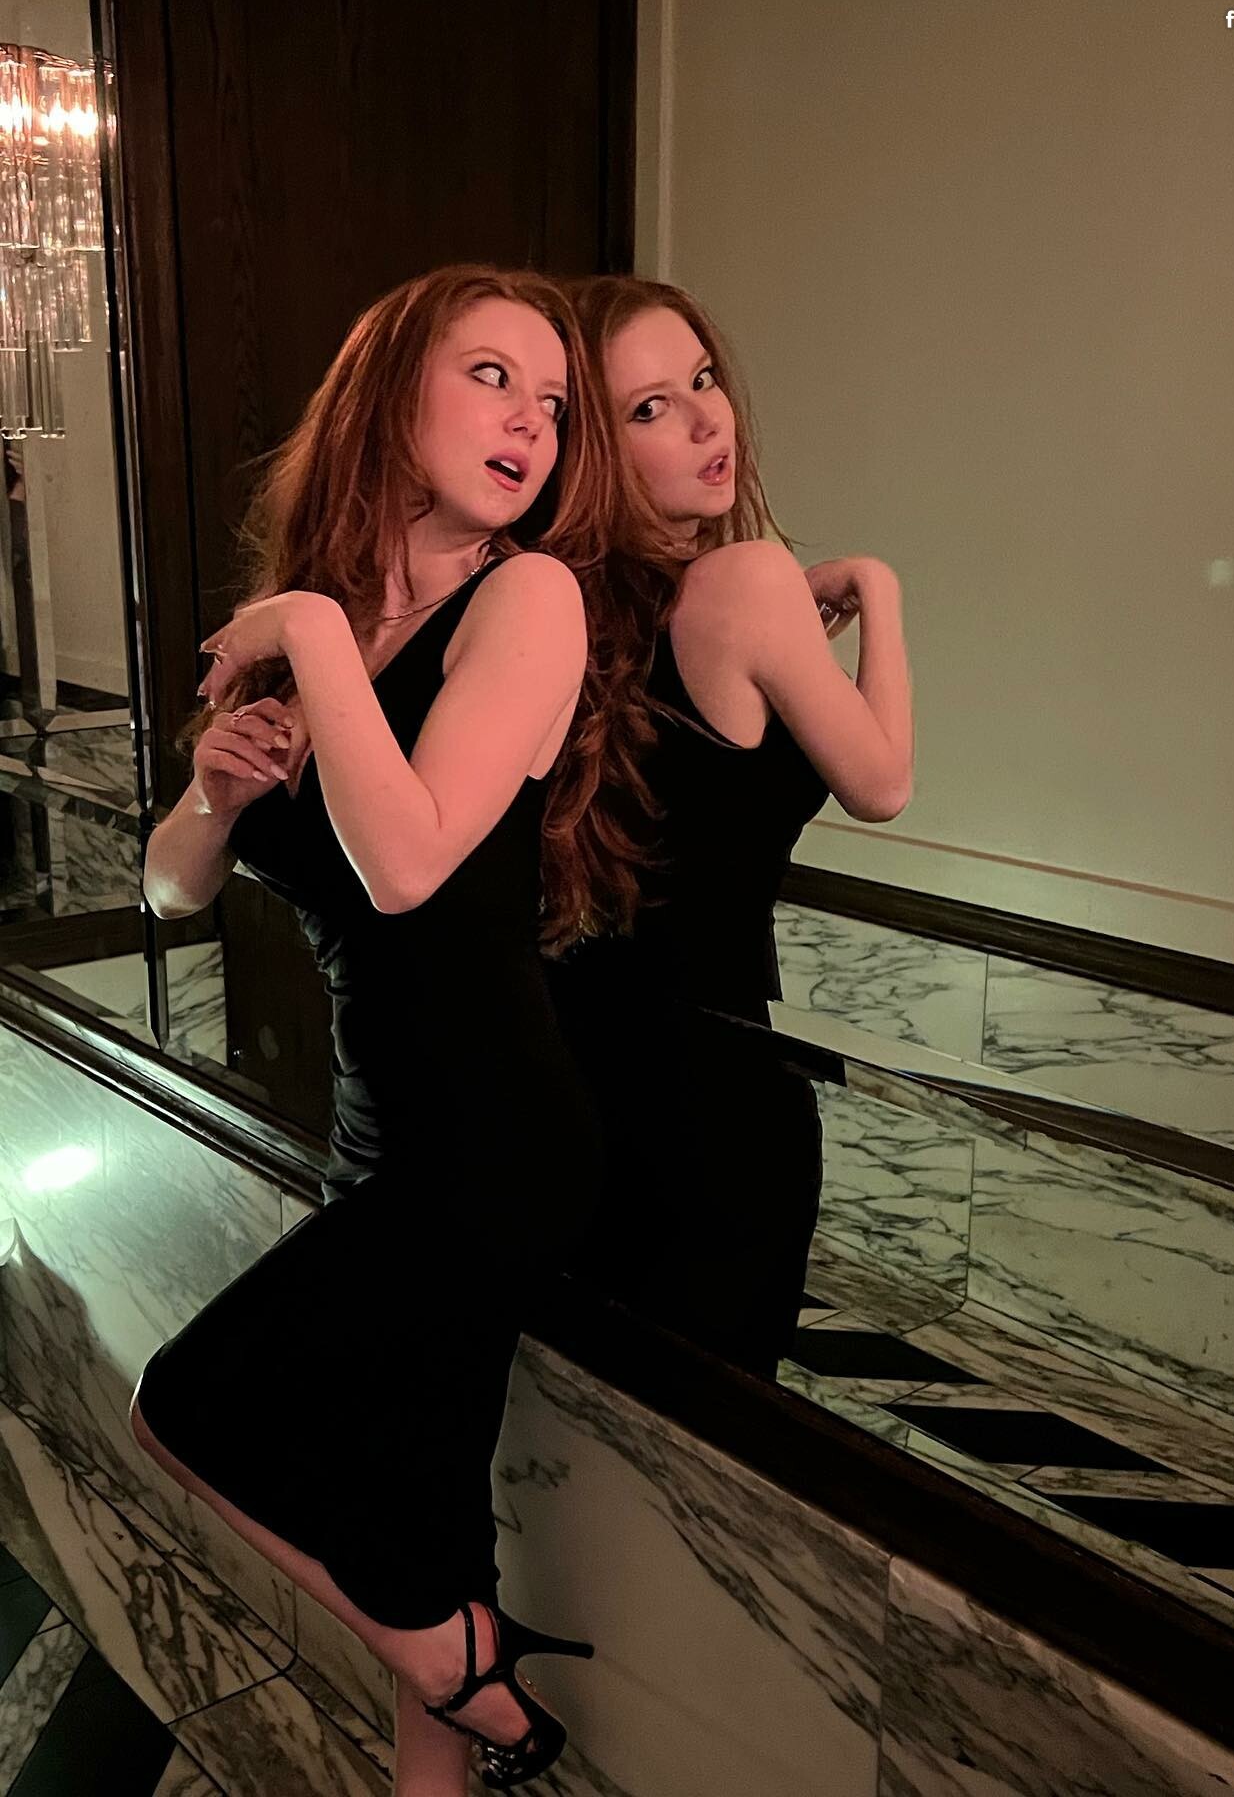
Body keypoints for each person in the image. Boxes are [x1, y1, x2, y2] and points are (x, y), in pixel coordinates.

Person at [129, 265, 655, 1794]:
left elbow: (408, 865)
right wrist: (216, 788)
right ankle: (452, 1673)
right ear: (391, 390)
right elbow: (169, 889)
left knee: (189, 1408)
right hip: (379, 1132)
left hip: (491, 1142)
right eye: (494, 376)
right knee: (425, 1516)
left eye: (553, 402)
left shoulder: (528, 599)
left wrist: (303, 627)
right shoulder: (340, 624)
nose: (533, 421)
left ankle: (460, 1661)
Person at [549, 275, 913, 1380]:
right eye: (650, 408)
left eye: (703, 380)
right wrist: (880, 593)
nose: (709, 421)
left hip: (561, 1095)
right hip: (713, 1103)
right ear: (593, 451)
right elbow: (883, 782)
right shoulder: (748, 582)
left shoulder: (546, 613)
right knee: (707, 1444)